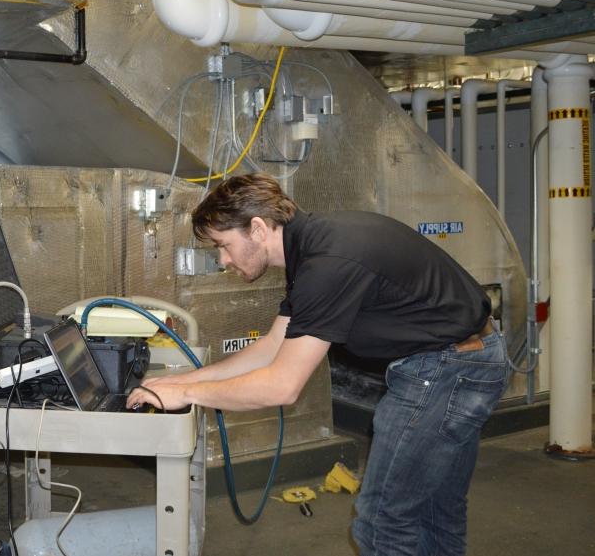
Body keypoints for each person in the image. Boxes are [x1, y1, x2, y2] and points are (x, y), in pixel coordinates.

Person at [126, 172, 507, 556]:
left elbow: (281, 386)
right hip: (465, 360)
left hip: (445, 371)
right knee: (434, 514)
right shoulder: (313, 247)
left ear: (257, 228)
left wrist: (187, 394)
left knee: (381, 526)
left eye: (224, 245)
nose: (223, 261)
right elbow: (274, 346)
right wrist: (182, 380)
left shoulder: (327, 261)